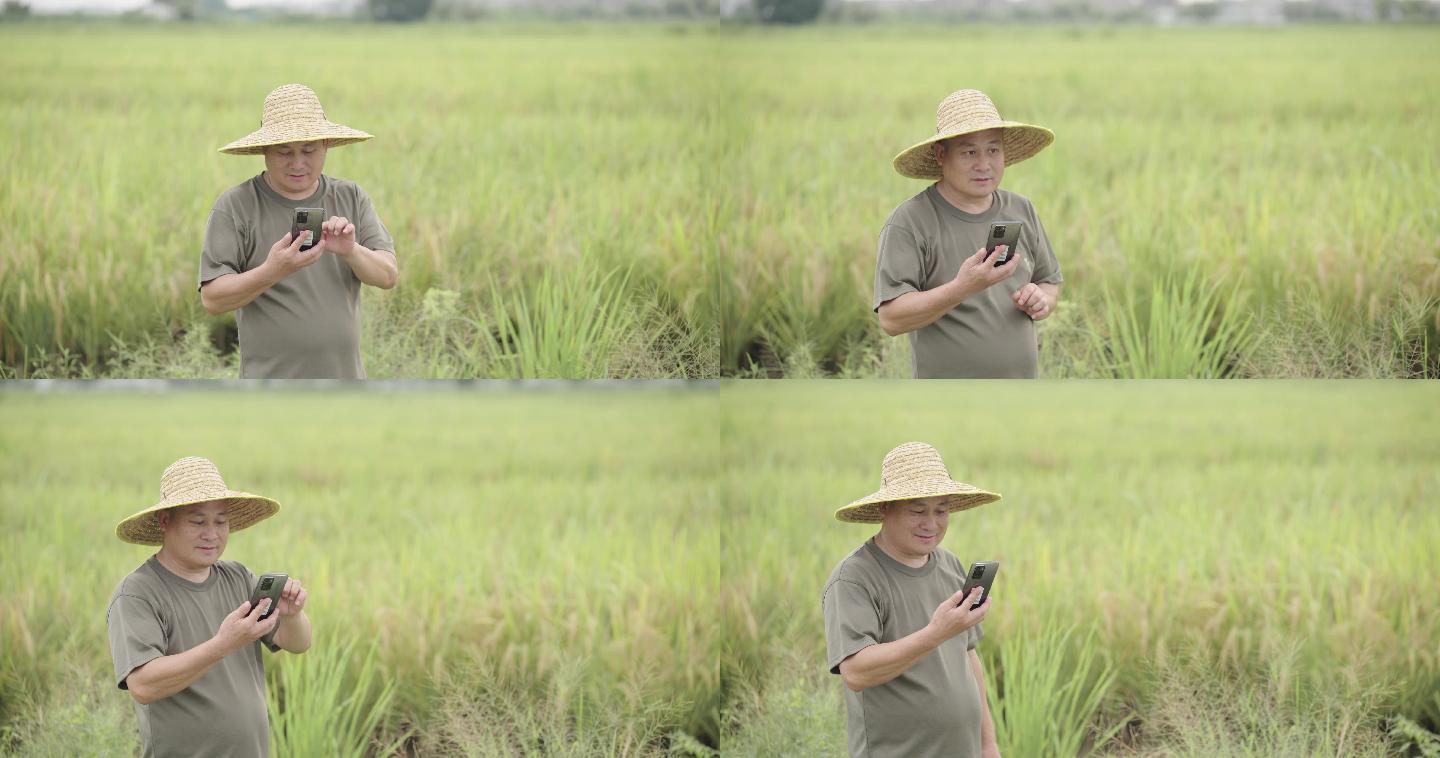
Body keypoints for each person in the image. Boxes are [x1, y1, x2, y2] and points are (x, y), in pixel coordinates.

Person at [107, 456, 311, 758]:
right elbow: (143, 685)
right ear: (165, 520)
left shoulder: (238, 577)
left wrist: (293, 616)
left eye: (221, 521)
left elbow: (298, 644)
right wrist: (222, 644)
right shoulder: (137, 593)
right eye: (198, 521)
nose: (212, 534)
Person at [200, 83, 398, 379]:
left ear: (326, 145)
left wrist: (350, 250)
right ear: (264, 150)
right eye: (284, 152)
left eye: (309, 150)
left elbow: (387, 276)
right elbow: (213, 299)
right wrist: (273, 270)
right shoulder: (236, 206)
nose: (297, 163)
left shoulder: (350, 196)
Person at [822, 442, 1003, 758]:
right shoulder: (854, 578)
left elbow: (969, 657)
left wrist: (988, 745)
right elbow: (856, 672)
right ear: (885, 509)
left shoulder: (949, 565)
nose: (931, 524)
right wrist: (936, 633)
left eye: (941, 510)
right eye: (918, 511)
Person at [875, 89, 1063, 378]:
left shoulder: (1020, 209)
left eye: (993, 150)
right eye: (969, 152)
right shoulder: (910, 221)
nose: (984, 164)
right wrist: (963, 287)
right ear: (941, 154)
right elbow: (891, 319)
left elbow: (1049, 281)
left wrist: (1042, 299)